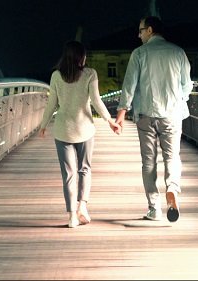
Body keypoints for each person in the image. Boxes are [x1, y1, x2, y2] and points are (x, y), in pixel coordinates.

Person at [116, 16, 192, 222]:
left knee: (148, 162)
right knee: (172, 156)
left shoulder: (139, 53)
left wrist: (122, 112)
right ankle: (173, 190)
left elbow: (129, 85)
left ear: (149, 30)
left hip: (146, 115)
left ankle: (154, 208)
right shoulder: (178, 52)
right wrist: (177, 99)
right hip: (172, 115)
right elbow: (187, 85)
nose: (138, 35)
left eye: (140, 30)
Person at [39, 40, 121, 228]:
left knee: (68, 174)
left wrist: (43, 125)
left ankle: (71, 217)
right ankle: (82, 206)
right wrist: (110, 120)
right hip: (85, 129)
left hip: (62, 130)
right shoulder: (90, 74)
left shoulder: (56, 76)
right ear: (81, 57)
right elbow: (96, 101)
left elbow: (51, 103)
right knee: (84, 169)